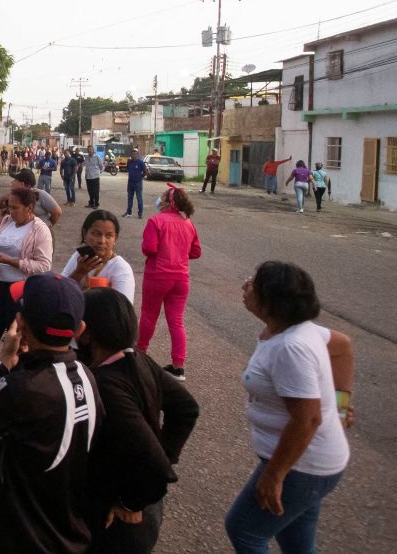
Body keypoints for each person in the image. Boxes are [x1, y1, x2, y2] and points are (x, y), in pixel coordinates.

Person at [0, 273, 103, 554]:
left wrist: (1, 363)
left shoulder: (21, 389)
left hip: (19, 537)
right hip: (65, 532)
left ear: (19, 323)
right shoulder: (85, 375)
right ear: (79, 330)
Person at [225, 262, 354, 554]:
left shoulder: (291, 347)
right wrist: (341, 406)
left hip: (303, 465)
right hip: (306, 462)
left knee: (244, 530)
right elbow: (343, 346)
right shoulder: (291, 331)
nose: (245, 287)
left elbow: (307, 419)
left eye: (251, 284)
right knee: (296, 542)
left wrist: (274, 475)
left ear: (271, 301)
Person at [79, 288, 199, 554]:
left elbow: (156, 468)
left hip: (122, 518)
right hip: (142, 502)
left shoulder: (107, 385)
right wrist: (166, 452)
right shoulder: (137, 359)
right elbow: (186, 408)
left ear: (89, 332)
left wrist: (131, 501)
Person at [0, 187, 53, 375]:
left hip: (21, 289)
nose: (11, 212)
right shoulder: (7, 221)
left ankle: (15, 379)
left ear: (29, 208)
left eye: (16, 208)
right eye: (9, 207)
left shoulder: (39, 230)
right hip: (2, 285)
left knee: (15, 338)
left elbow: (43, 266)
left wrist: (11, 262)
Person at [137, 186, 201, 382]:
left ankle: (140, 356)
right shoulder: (188, 223)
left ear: (168, 202)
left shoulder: (156, 221)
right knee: (176, 321)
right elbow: (196, 252)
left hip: (158, 276)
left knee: (149, 316)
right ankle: (178, 367)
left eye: (162, 197)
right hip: (181, 279)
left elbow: (149, 248)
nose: (159, 200)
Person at [60, 209, 136, 302]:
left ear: (115, 238)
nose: (102, 241)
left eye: (108, 236)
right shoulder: (78, 257)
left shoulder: (121, 268)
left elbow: (123, 311)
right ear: (85, 234)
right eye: (96, 234)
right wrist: (79, 272)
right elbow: (60, 292)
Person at [125, 147, 148, 218]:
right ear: (131, 155)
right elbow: (127, 169)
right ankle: (129, 213)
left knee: (139, 198)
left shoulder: (140, 162)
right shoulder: (129, 162)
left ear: (137, 155)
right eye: (132, 154)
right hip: (130, 183)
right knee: (129, 198)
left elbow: (145, 172)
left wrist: (140, 177)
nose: (133, 155)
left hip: (138, 183)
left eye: (135, 154)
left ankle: (140, 214)